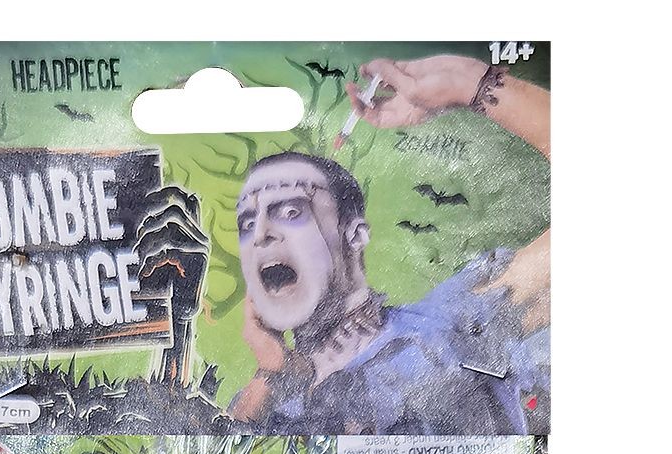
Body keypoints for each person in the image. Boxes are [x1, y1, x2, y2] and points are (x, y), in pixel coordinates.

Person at [229, 54, 550, 434]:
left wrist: (468, 83)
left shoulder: (449, 324)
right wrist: (272, 377)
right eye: (247, 224)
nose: (261, 234)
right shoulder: (265, 405)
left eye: (290, 211)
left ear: (354, 235)